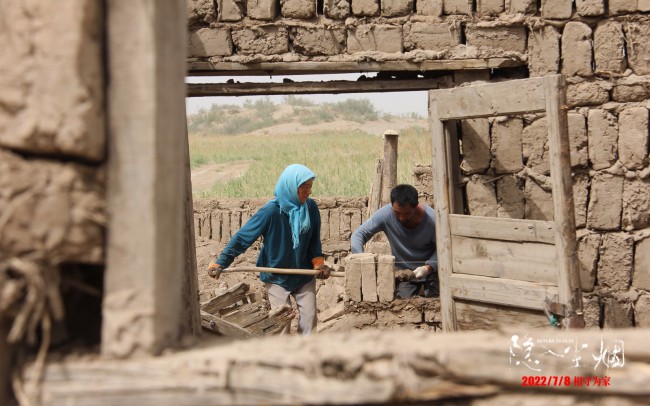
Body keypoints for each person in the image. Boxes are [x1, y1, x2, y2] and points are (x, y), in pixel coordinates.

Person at [207, 164, 331, 335]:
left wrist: (318, 264)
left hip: (303, 274)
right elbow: (243, 238)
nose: (309, 192)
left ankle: (307, 351)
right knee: (282, 322)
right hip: (275, 275)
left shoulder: (310, 208)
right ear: (291, 187)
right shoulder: (271, 211)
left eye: (311, 187)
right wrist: (221, 262)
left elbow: (314, 241)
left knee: (309, 320)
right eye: (305, 187)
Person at [351, 184, 439, 298]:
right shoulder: (385, 214)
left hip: (433, 271)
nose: (401, 218)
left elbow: (445, 249)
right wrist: (360, 259)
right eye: (397, 213)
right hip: (405, 274)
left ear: (416, 206)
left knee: (438, 303)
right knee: (404, 305)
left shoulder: (433, 220)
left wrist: (428, 267)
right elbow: (358, 235)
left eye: (406, 213)